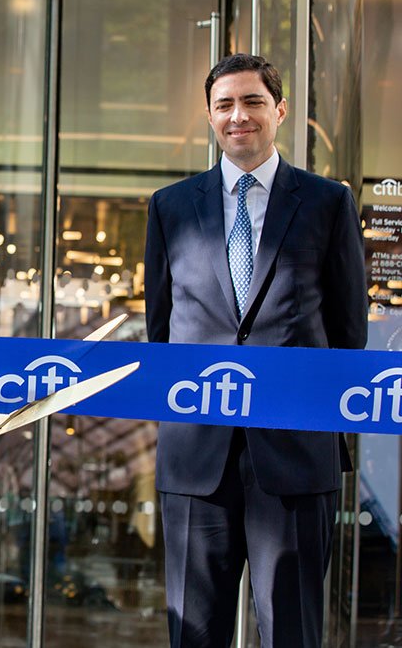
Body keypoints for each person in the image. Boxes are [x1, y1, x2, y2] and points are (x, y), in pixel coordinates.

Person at [144, 53, 367, 647]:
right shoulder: (170, 206)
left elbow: (349, 334)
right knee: (194, 631)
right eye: (225, 105)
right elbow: (160, 328)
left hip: (294, 454)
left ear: (280, 111)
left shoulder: (327, 202)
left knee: (291, 629)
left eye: (252, 102)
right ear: (210, 117)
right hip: (196, 458)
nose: (238, 115)